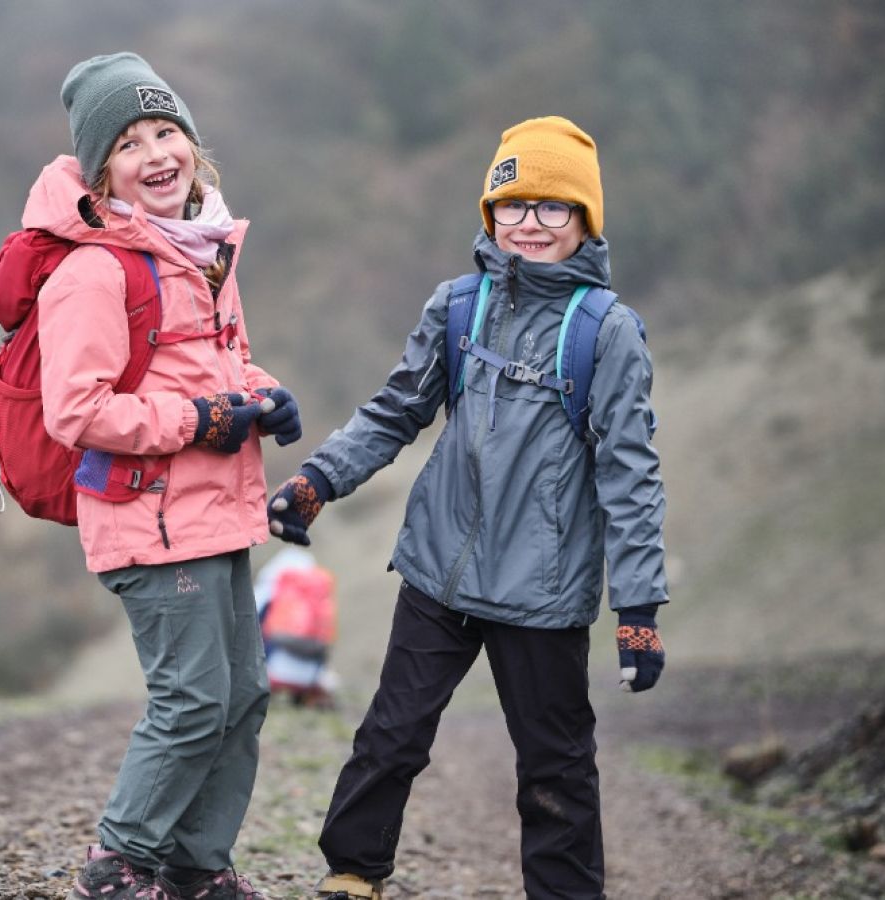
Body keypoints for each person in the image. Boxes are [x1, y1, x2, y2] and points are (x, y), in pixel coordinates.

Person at [266, 116, 669, 900]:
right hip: (439, 571)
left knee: (554, 769)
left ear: (586, 219)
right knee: (391, 734)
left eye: (554, 207)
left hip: (542, 594)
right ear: (490, 214)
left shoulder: (607, 334)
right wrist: (317, 481)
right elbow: (395, 412)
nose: (531, 223)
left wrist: (639, 608)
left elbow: (632, 476)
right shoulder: (458, 307)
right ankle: (352, 873)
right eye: (513, 204)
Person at [27, 52, 302, 900]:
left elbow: (227, 363)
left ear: (193, 145)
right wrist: (196, 423)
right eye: (130, 141)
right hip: (147, 522)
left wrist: (262, 396)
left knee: (244, 697)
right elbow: (73, 410)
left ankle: (196, 867)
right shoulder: (93, 270)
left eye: (167, 130)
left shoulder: (207, 251)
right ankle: (118, 863)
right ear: (102, 171)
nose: (156, 152)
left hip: (215, 511)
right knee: (190, 701)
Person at [253, 547, 339, 708]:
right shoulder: (319, 597)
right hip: (311, 677)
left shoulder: (271, 590)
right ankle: (306, 695)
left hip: (273, 673)